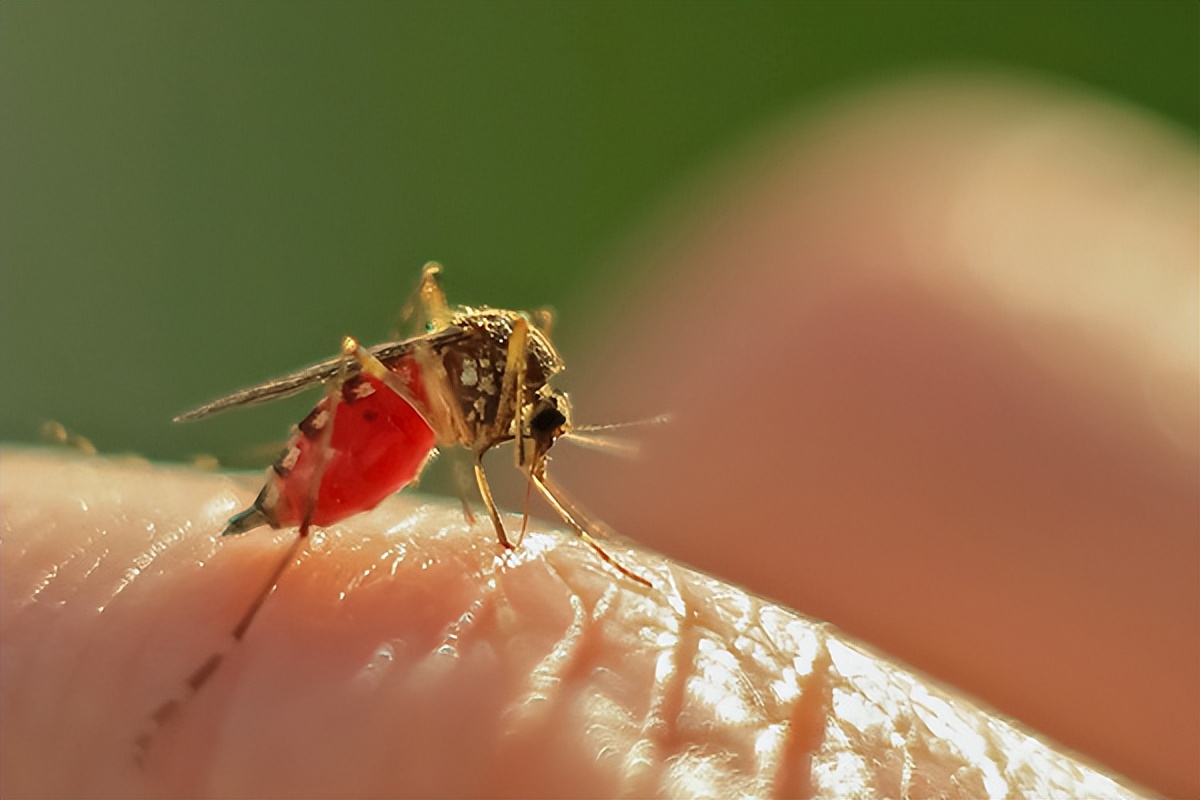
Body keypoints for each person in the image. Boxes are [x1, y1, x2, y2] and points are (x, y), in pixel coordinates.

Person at [1, 75, 1192, 797]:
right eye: (543, 438)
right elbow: (465, 366)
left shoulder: (521, 373)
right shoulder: (500, 371)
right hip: (377, 413)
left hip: (409, 408)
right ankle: (232, 634)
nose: (541, 449)